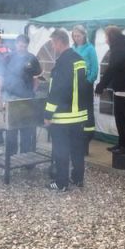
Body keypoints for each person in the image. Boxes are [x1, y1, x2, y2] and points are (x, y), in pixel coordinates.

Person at [44, 29, 88, 191]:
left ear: (58, 42)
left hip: (63, 116)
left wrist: (48, 114)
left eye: (53, 43)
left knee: (61, 151)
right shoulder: (80, 60)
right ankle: (78, 179)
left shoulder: (62, 62)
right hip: (79, 115)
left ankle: (61, 183)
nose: (52, 47)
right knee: (77, 150)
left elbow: (57, 90)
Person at [94, 25, 125, 155]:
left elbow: (111, 69)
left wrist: (101, 85)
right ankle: (122, 144)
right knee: (122, 119)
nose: (105, 40)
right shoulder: (121, 48)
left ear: (111, 37)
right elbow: (114, 69)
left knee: (122, 119)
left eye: (106, 37)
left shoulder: (118, 50)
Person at [0, 34, 42, 154]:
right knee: (11, 129)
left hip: (26, 99)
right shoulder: (8, 57)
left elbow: (36, 78)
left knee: (26, 129)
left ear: (27, 45)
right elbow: (0, 77)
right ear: (16, 44)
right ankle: (10, 155)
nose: (22, 47)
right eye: (20, 45)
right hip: (11, 98)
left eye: (24, 45)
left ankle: (25, 155)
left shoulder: (32, 58)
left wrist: (33, 92)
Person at [71, 25, 98, 153]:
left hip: (85, 85)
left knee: (87, 111)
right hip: (73, 85)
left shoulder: (90, 49)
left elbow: (95, 68)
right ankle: (76, 141)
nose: (77, 38)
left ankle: (86, 140)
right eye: (74, 36)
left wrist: (88, 81)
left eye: (79, 35)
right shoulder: (72, 48)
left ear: (84, 35)